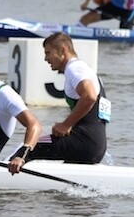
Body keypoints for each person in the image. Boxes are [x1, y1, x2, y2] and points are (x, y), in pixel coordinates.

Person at [8, 32, 110, 175]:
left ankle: (2, 174)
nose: (45, 58)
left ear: (62, 50)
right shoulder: (86, 69)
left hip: (83, 143)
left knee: (26, 148)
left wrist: (66, 124)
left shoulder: (75, 68)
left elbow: (89, 97)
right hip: (95, 146)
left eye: (48, 53)